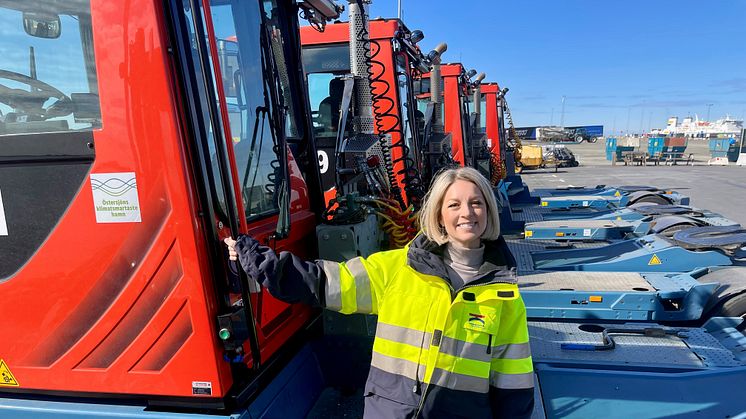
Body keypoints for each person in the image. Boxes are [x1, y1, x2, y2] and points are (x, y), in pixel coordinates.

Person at [224, 166, 534, 418]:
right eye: (454, 204)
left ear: (489, 211)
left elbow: (514, 387)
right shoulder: (397, 269)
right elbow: (322, 282)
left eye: (476, 202)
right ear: (440, 216)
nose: (466, 212)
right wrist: (256, 259)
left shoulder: (504, 297)